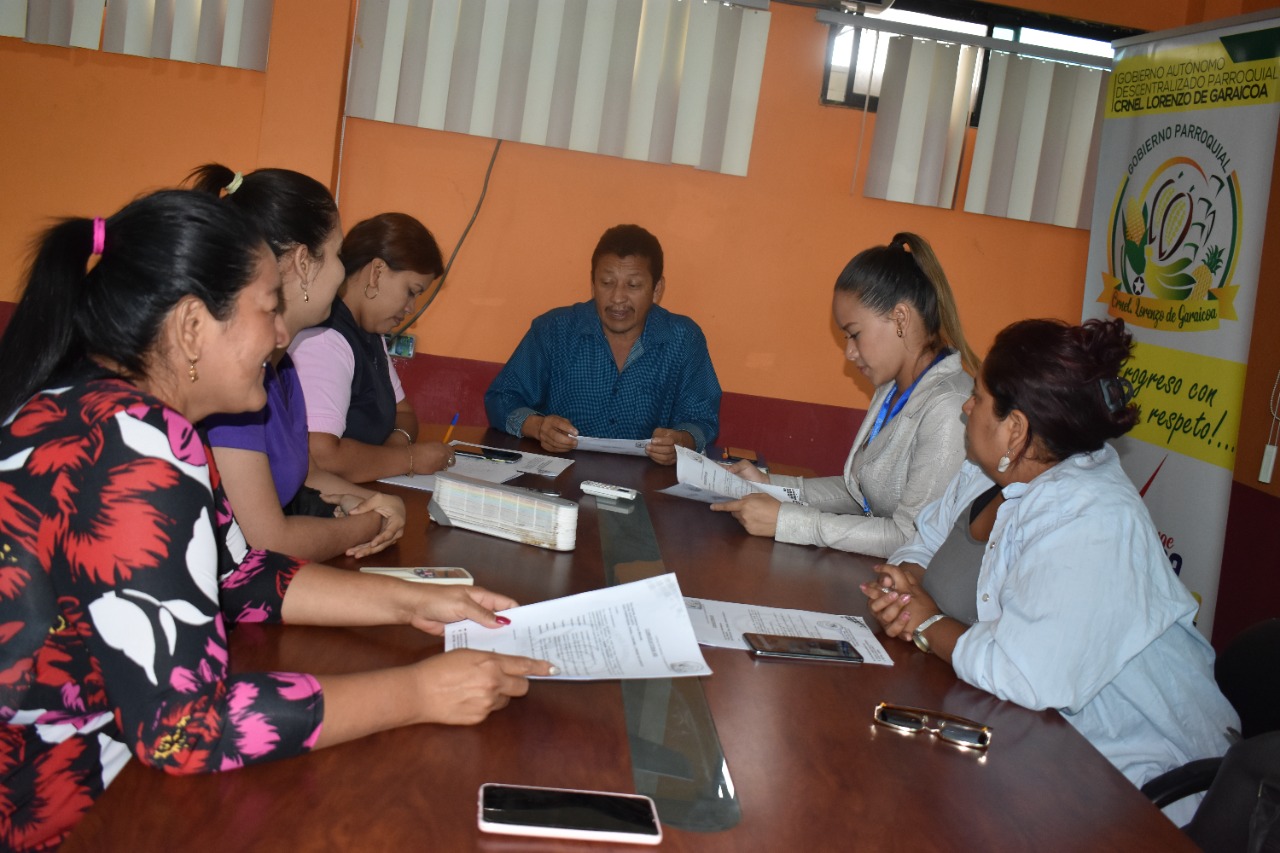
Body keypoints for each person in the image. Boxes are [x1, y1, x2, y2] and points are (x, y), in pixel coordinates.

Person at [0, 191, 553, 851]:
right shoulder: (138, 446)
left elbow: (241, 575)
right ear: (191, 327)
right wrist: (419, 692)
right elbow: (184, 728)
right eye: (268, 308)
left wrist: (414, 601)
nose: (283, 334)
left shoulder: (91, 409)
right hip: (60, 809)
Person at [861, 317, 1237, 825]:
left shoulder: (1091, 518)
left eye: (977, 397)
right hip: (1026, 737)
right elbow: (925, 539)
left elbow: (1024, 674)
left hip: (1131, 780)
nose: (966, 407)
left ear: (1015, 429)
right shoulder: (989, 468)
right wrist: (902, 587)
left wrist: (925, 622)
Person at [188, 165, 407, 562]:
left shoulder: (282, 369)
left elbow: (304, 473)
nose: (342, 274)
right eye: (338, 255)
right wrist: (369, 522)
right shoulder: (235, 385)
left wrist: (380, 503)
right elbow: (267, 539)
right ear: (304, 264)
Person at [712, 233, 978, 558]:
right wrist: (769, 485)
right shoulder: (893, 388)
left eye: (854, 334)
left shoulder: (950, 407)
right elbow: (860, 493)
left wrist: (789, 521)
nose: (849, 353)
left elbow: (911, 537)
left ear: (900, 319)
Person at [483, 224, 721, 466]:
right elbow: (501, 398)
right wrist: (538, 427)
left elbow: (701, 419)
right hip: (561, 475)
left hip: (648, 480)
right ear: (593, 283)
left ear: (656, 289)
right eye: (607, 283)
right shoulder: (553, 330)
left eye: (633, 285)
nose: (617, 298)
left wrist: (681, 442)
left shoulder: (684, 339)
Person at [289, 212, 454, 482]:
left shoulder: (370, 334)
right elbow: (320, 456)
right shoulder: (325, 339)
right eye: (411, 291)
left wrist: (392, 455)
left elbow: (404, 414)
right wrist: (408, 459)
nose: (411, 309)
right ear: (377, 272)